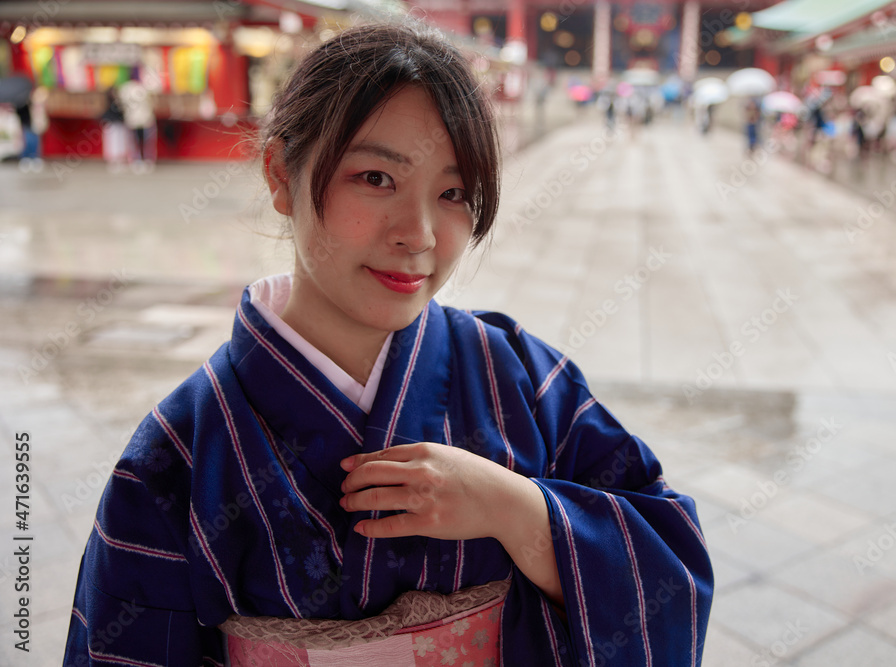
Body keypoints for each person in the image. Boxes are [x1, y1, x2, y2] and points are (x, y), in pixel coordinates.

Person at [64, 21, 712, 666]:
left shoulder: (518, 376)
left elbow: (669, 567)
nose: (420, 234)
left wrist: (512, 505)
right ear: (281, 173)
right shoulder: (177, 456)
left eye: (453, 192)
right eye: (376, 178)